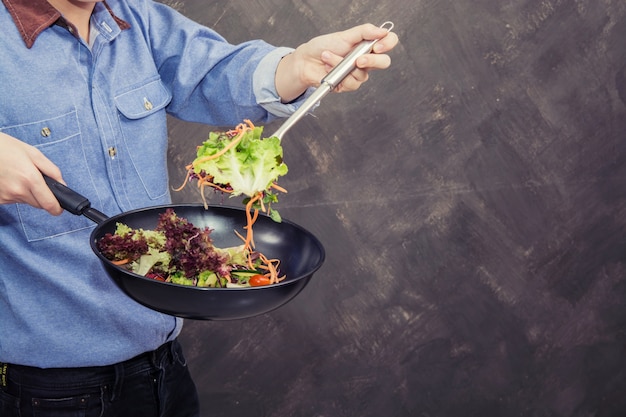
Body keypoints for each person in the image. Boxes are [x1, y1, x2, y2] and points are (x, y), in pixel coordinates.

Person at [0, 0, 398, 416]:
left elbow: (219, 72)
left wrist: (298, 68)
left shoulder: (139, 19)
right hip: (49, 391)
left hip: (165, 368)